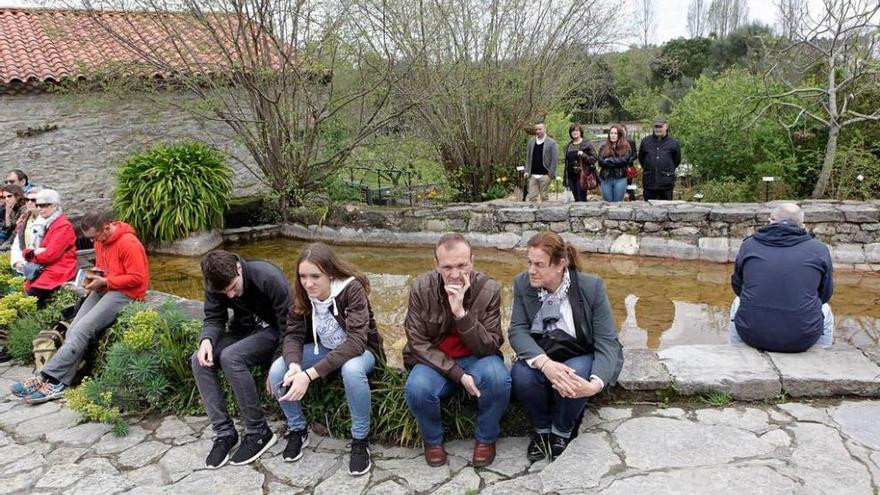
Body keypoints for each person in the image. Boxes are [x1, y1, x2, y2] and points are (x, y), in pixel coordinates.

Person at [9, 210, 149, 403]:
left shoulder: (129, 243)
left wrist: (106, 282)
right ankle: (56, 379)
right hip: (105, 287)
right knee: (74, 328)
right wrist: (92, 278)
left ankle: (50, 378)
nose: (92, 242)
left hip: (126, 293)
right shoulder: (101, 242)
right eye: (89, 238)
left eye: (94, 237)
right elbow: (103, 268)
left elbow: (139, 279)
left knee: (83, 329)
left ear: (107, 227)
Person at [267, 242, 383, 476]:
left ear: (330, 273)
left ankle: (360, 439)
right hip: (325, 349)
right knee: (278, 369)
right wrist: (294, 366)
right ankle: (298, 429)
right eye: (302, 276)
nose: (308, 283)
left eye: (315, 276)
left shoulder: (352, 290)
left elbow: (356, 342)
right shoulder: (301, 293)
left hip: (362, 352)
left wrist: (309, 375)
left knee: (351, 370)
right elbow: (293, 334)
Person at [508, 231, 623, 462]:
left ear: (561, 264)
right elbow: (517, 330)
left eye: (539, 264)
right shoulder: (523, 284)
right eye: (529, 262)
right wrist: (545, 364)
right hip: (544, 352)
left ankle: (561, 431)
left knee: (575, 374)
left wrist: (594, 386)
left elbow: (607, 341)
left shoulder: (591, 287)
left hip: (580, 353)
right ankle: (542, 431)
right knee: (521, 374)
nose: (531, 270)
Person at [403, 233, 510, 467]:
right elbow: (417, 341)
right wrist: (458, 374)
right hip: (435, 363)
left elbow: (490, 345)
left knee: (498, 378)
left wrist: (461, 313)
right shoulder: (421, 288)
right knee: (417, 388)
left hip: (477, 358)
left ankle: (486, 438)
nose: (454, 274)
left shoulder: (488, 288)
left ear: (472, 260)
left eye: (462, 265)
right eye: (447, 267)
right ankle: (432, 440)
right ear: (436, 265)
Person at [193, 250, 290, 469]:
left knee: (231, 357)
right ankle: (225, 433)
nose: (230, 296)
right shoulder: (215, 283)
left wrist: (276, 363)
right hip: (244, 331)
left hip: (273, 333)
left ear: (238, 268)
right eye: (223, 292)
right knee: (197, 359)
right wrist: (206, 339)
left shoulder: (268, 277)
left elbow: (290, 327)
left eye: (233, 288)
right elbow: (214, 317)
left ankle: (258, 432)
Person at [729, 203, 834, 352]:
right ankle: (822, 356)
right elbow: (825, 294)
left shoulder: (749, 245)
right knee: (826, 310)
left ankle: (735, 354)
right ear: (803, 225)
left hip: (751, 335)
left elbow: (738, 286)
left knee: (737, 302)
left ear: (771, 221)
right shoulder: (819, 250)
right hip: (802, 339)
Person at [20, 189, 77, 309]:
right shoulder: (44, 223)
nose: (39, 208)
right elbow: (28, 250)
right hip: (46, 268)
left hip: (59, 269)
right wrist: (32, 252)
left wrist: (31, 254)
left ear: (54, 206)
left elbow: (49, 255)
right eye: (37, 205)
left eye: (43, 205)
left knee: (31, 297)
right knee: (27, 296)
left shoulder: (62, 226)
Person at [638, 117, 681, 201]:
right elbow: (641, 159)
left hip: (666, 183)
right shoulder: (645, 141)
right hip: (649, 183)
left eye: (660, 127)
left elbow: (676, 160)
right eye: (656, 127)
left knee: (667, 210)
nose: (658, 129)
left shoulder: (673, 143)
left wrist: (666, 169)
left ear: (666, 126)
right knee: (647, 210)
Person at [597, 124, 633, 202]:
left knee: (618, 204)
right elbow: (600, 161)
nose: (613, 135)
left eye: (615, 133)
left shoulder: (626, 146)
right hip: (606, 178)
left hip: (620, 178)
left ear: (620, 135)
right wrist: (616, 161)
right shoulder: (603, 146)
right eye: (611, 133)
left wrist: (609, 160)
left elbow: (625, 160)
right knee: (607, 203)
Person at [524, 122, 559, 202]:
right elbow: (528, 157)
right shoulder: (531, 142)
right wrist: (527, 171)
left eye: (540, 129)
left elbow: (554, 160)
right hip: (533, 175)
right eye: (536, 129)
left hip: (545, 175)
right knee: (532, 198)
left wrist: (550, 175)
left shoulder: (551, 142)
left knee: (544, 197)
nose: (538, 131)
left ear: (544, 129)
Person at [9, 187, 42, 274]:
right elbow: (17, 243)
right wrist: (17, 261)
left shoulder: (47, 220)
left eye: (33, 200)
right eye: (27, 200)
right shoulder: (23, 219)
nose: (30, 202)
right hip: (25, 265)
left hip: (41, 266)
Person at [562, 123, 596, 203]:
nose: (575, 132)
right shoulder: (568, 145)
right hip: (570, 176)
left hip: (582, 176)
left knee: (581, 199)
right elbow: (566, 163)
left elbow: (594, 158)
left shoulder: (586, 143)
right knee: (576, 198)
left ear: (581, 132)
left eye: (577, 130)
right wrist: (565, 179)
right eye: (572, 131)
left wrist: (583, 155)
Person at [621, 124, 639, 201]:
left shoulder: (631, 141)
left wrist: (630, 159)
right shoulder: (614, 142)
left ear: (626, 131)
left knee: (629, 184)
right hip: (618, 167)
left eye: (623, 130)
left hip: (629, 166)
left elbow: (635, 154)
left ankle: (632, 199)